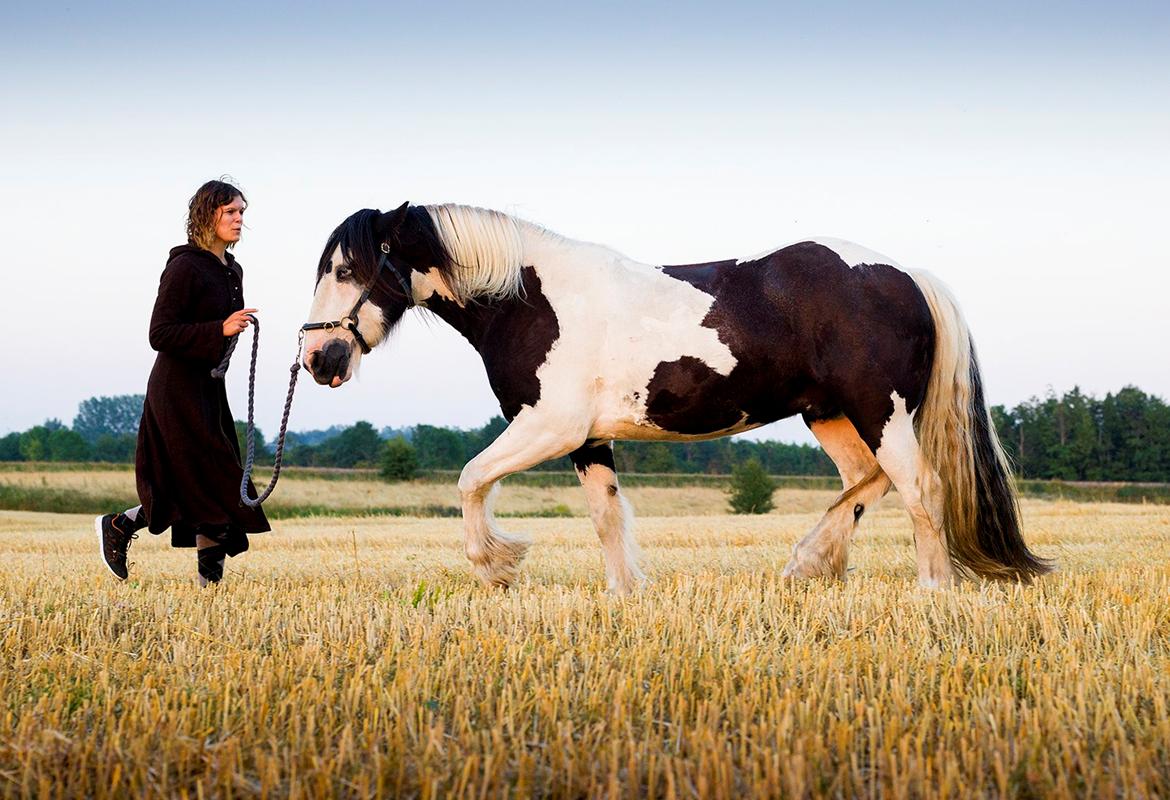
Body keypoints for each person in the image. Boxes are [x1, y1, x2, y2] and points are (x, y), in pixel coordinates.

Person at [95, 178, 270, 586]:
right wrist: (218, 329)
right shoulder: (184, 267)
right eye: (231, 211)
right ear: (207, 215)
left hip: (209, 388)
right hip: (176, 390)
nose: (239, 219)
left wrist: (225, 335)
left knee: (216, 487)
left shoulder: (233, 270)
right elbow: (160, 333)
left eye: (242, 212)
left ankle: (208, 591)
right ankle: (120, 524)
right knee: (207, 485)